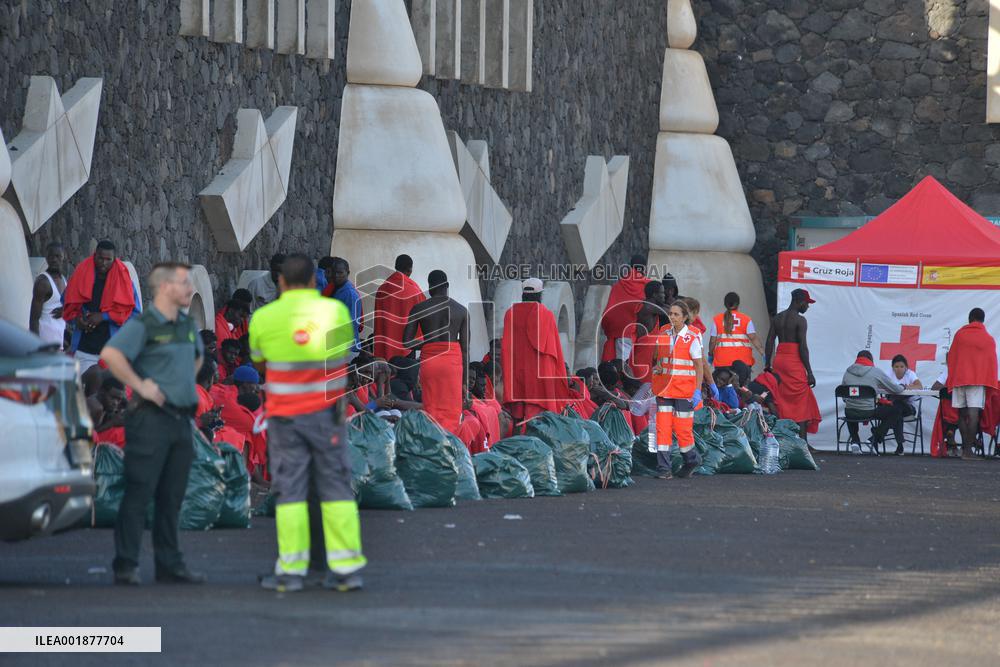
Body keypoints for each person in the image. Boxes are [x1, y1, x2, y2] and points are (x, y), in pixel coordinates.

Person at [248, 254, 366, 593]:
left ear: (281, 282)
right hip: (327, 417)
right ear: (315, 280)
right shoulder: (334, 312)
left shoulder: (265, 317)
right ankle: (346, 570)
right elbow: (344, 358)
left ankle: (291, 572)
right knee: (337, 490)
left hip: (286, 420)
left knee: (290, 493)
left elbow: (259, 362)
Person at [99, 262, 206, 586]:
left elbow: (199, 357)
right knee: (139, 493)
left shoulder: (187, 324)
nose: (189, 289)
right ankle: (126, 564)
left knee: (172, 496)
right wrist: (142, 385)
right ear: (164, 288)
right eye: (183, 283)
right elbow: (113, 355)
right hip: (150, 420)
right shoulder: (144, 324)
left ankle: (169, 564)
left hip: (181, 420)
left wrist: (180, 381)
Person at [403, 269, 468, 436]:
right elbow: (466, 349)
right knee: (452, 410)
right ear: (447, 286)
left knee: (431, 406)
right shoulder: (461, 310)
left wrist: (428, 344)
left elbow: (406, 342)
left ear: (430, 287)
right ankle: (451, 445)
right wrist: (465, 383)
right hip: (452, 363)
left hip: (430, 361)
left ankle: (432, 443)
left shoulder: (419, 308)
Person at [502, 278, 574, 426]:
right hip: (540, 376)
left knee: (518, 417)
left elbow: (506, 348)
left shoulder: (510, 314)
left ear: (523, 295)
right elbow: (555, 351)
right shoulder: (546, 315)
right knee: (540, 418)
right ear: (540, 295)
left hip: (516, 371)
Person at [63, 241, 141, 374]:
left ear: (114, 259)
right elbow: (67, 306)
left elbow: (135, 316)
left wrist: (104, 317)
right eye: (100, 258)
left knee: (110, 392)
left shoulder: (125, 283)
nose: (103, 263)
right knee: (84, 392)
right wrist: (78, 320)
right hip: (84, 349)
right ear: (94, 256)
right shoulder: (80, 276)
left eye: (108, 259)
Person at [651, 300, 704, 479]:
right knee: (663, 428)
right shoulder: (663, 333)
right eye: (670, 314)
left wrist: (698, 390)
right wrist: (657, 367)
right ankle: (664, 469)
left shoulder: (693, 337)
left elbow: (699, 366)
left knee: (683, 430)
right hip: (664, 389)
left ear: (685, 317)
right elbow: (658, 358)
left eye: (676, 314)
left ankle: (691, 459)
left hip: (684, 391)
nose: (672, 317)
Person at [765, 288, 821, 439]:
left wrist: (767, 364)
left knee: (782, 399)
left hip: (779, 360)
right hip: (793, 361)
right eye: (807, 303)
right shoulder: (800, 320)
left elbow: (770, 341)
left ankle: (783, 439)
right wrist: (809, 372)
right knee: (801, 401)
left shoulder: (777, 318)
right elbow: (803, 347)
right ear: (799, 301)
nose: (807, 307)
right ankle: (802, 443)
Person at [946, 308, 999, 461]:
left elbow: (951, 357)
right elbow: (991, 363)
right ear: (982, 320)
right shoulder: (987, 338)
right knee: (973, 414)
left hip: (959, 379)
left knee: (961, 414)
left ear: (969, 319)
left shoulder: (959, 335)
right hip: (976, 380)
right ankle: (968, 451)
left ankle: (964, 449)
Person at [842, 350, 909, 455]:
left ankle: (855, 441)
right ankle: (875, 437)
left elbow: (844, 397)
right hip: (868, 411)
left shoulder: (847, 372)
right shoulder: (875, 371)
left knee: (851, 407)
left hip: (850, 412)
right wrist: (902, 386)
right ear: (870, 360)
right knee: (895, 410)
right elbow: (896, 389)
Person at [373, 255, 426, 361]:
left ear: (395, 266)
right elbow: (423, 319)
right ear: (410, 269)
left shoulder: (382, 289)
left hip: (386, 343)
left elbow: (378, 321)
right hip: (408, 346)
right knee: (406, 374)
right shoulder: (415, 291)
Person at [600, 255, 650, 362]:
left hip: (622, 333)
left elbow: (609, 313)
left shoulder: (618, 286)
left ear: (631, 267)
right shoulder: (649, 286)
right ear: (644, 268)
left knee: (623, 368)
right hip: (644, 335)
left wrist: (610, 330)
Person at [709, 292, 765, 368]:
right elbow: (753, 338)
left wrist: (711, 354)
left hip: (722, 361)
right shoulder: (746, 319)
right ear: (738, 304)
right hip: (743, 361)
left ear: (725, 304)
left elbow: (712, 341)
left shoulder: (717, 319)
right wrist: (763, 354)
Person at [29, 242, 67, 348]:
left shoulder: (64, 280)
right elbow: (33, 319)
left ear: (63, 257)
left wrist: (66, 310)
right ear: (46, 258)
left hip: (58, 344)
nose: (54, 259)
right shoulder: (43, 283)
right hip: (44, 346)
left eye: (57, 256)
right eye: (51, 256)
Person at [325, 257, 364, 358]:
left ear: (348, 273)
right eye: (334, 272)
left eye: (340, 273)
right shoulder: (336, 289)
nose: (336, 276)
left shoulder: (349, 294)